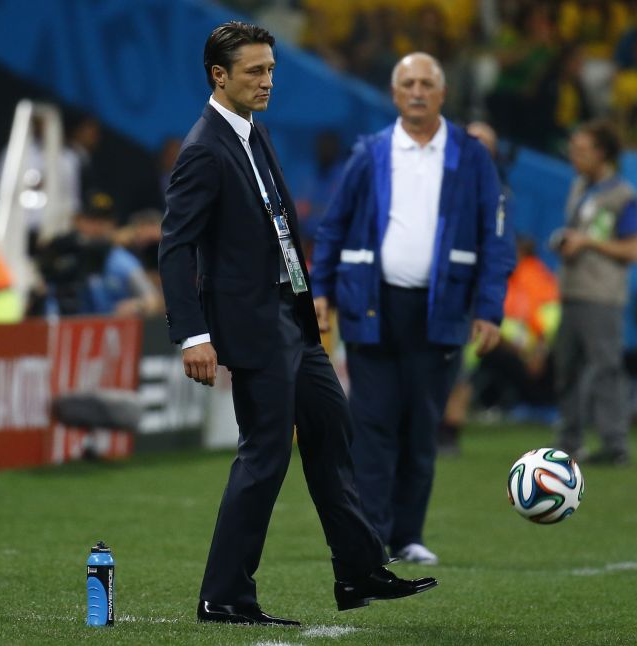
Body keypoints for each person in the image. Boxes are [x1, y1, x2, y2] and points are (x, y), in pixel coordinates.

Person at [157, 22, 437, 627]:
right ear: (219, 76)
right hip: (253, 327)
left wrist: (305, 296)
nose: (267, 81)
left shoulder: (251, 134)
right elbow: (175, 245)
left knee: (333, 430)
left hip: (290, 318)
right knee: (264, 456)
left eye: (271, 70)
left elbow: (275, 225)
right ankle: (224, 596)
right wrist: (193, 333)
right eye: (255, 71)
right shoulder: (205, 147)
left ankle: (359, 570)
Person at [312, 52, 515, 565]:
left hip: (441, 312)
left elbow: (496, 238)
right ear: (395, 93)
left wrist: (489, 308)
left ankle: (408, 535)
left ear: (442, 94)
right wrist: (320, 291)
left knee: (421, 428)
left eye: (427, 83)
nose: (418, 91)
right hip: (372, 307)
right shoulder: (371, 152)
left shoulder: (471, 157)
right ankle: (372, 534)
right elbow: (333, 226)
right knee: (372, 426)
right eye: (409, 83)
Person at [549, 121, 637, 466]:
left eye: (582, 151)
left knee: (606, 368)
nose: (575, 157)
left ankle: (615, 444)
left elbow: (634, 250)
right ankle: (569, 441)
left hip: (601, 294)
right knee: (566, 370)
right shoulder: (579, 187)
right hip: (572, 289)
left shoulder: (623, 196)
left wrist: (587, 242)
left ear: (602, 154)